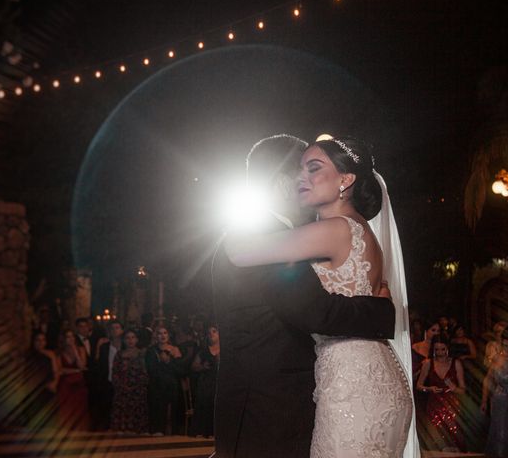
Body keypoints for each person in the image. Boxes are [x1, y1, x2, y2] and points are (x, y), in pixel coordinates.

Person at [221, 135, 417, 457]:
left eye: (314, 168)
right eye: (300, 169)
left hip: (351, 387)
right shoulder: (359, 229)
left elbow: (239, 251)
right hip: (376, 375)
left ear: (346, 179)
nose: (302, 177)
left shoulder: (334, 229)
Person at [416, 336, 466, 453]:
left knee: (453, 438)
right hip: (434, 405)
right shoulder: (428, 363)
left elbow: (463, 390)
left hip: (452, 405)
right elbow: (419, 386)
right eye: (437, 350)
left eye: (442, 349)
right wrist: (429, 389)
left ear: (447, 348)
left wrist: (453, 387)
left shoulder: (456, 363)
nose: (440, 353)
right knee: (437, 438)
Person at [481, 326, 508, 458]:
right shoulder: (497, 358)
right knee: (501, 433)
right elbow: (487, 379)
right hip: (500, 399)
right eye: (504, 345)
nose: (507, 349)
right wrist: (484, 400)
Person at [111, 329, 149, 433]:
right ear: (123, 340)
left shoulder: (142, 354)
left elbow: (145, 371)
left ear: (137, 339)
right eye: (127, 338)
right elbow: (115, 371)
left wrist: (138, 385)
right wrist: (121, 385)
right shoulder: (119, 354)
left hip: (138, 389)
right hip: (122, 389)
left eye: (133, 337)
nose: (130, 340)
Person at [146, 326, 182, 435]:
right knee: (158, 407)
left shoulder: (175, 349)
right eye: (159, 333)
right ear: (156, 336)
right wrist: (162, 363)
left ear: (168, 335)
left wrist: (168, 362)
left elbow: (180, 369)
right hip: (157, 384)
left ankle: (174, 431)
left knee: (174, 408)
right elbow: (151, 369)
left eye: (165, 333)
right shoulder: (151, 351)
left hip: (172, 383)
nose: (162, 336)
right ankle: (158, 429)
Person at [91, 319, 124, 430]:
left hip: (124, 382)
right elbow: (98, 364)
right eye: (112, 328)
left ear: (122, 330)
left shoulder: (126, 347)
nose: (115, 331)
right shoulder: (104, 347)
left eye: (117, 328)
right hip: (108, 381)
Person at [22, 331, 59, 429]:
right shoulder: (28, 355)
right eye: (38, 340)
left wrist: (54, 383)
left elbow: (55, 371)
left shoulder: (50, 354)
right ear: (33, 342)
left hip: (49, 385)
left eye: (43, 340)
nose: (40, 343)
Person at [57, 329, 89, 430]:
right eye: (68, 337)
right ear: (63, 339)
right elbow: (60, 370)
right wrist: (76, 370)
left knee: (80, 407)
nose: (70, 339)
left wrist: (75, 352)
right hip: (65, 383)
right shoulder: (59, 352)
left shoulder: (81, 349)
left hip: (79, 382)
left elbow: (82, 366)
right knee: (66, 407)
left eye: (72, 337)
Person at [191, 324, 220, 437]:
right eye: (209, 332)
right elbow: (193, 366)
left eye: (214, 331)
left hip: (220, 382)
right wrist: (203, 367)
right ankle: (202, 431)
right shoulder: (203, 351)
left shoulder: (225, 350)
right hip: (206, 381)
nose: (211, 334)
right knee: (205, 398)